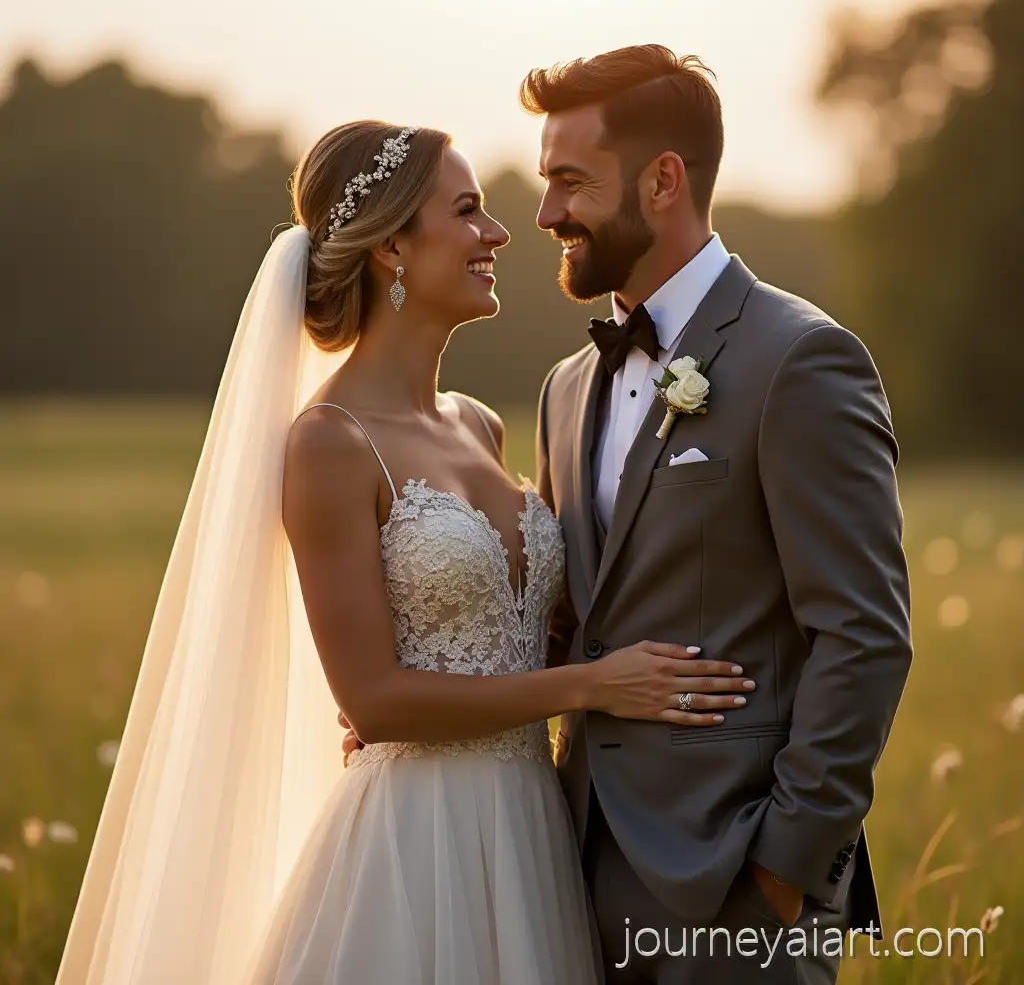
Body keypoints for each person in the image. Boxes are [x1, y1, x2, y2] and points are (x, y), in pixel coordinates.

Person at [56, 119, 755, 985]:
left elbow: (522, 633)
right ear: (392, 246)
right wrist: (592, 686)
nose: (499, 233)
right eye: (467, 212)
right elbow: (375, 701)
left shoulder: (478, 423)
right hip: (417, 843)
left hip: (529, 826)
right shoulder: (329, 443)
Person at [524, 44, 914, 984]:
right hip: (566, 873)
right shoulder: (564, 389)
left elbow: (862, 636)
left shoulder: (803, 361)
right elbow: (569, 618)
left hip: (734, 889)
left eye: (570, 182)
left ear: (663, 181)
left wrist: (781, 876)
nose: (545, 215)